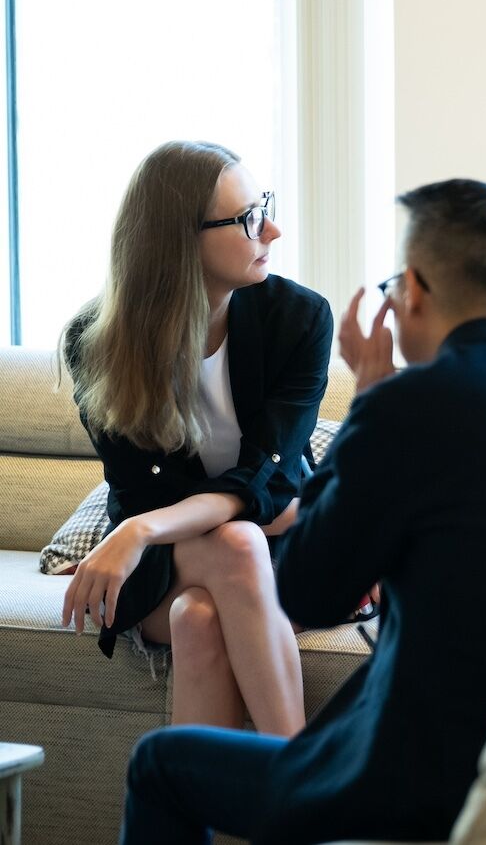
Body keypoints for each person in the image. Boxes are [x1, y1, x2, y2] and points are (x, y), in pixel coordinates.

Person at [118, 178, 486, 844]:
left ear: (411, 291)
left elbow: (306, 591)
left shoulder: (404, 409)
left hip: (411, 777)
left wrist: (368, 404)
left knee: (159, 764)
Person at [59, 141, 330, 736]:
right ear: (181, 241)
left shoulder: (300, 320)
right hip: (158, 566)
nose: (274, 230)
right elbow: (158, 491)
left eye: (266, 207)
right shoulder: (94, 342)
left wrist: (139, 528)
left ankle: (197, 809)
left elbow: (273, 481)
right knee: (235, 546)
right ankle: (303, 793)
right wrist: (151, 524)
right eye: (250, 219)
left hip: (252, 553)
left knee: (200, 617)